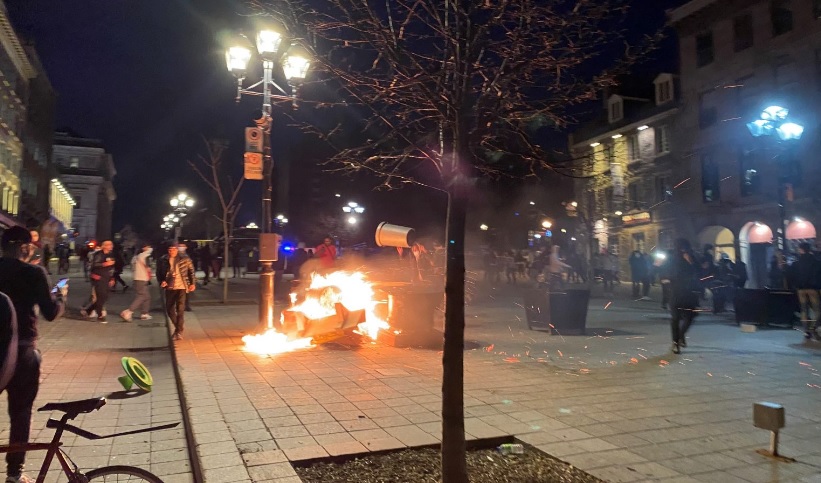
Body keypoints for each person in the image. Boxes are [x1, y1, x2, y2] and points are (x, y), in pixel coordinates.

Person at [0, 226, 65, 483]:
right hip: (22, 351)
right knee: (20, 412)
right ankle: (14, 473)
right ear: (25, 247)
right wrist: (60, 297)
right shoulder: (34, 273)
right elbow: (50, 312)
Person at [156, 244, 196, 341]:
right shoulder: (163, 260)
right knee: (169, 309)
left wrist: (192, 283)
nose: (172, 251)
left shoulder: (185, 259)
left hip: (182, 286)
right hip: (170, 287)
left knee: (180, 309)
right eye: (170, 249)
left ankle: (178, 332)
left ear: (177, 250)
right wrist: (162, 281)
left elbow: (191, 271)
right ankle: (179, 329)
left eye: (174, 249)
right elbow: (159, 273)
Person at [670, 238, 700, 354]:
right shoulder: (673, 258)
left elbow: (699, 271)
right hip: (676, 291)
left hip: (689, 292)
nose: (683, 250)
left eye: (685, 247)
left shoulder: (692, 257)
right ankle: (675, 342)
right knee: (675, 318)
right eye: (681, 247)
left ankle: (681, 335)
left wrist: (691, 262)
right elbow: (669, 272)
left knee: (690, 316)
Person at [788, 242, 820, 340]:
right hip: (813, 289)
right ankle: (813, 328)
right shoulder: (816, 262)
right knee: (817, 310)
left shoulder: (796, 263)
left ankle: (806, 331)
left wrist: (795, 286)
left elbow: (791, 275)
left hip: (801, 289)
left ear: (801, 250)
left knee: (804, 310)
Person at [81, 240, 116, 323]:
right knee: (100, 296)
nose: (111, 246)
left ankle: (88, 310)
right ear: (104, 246)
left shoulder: (110, 255)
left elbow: (111, 268)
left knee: (105, 297)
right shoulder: (98, 254)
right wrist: (105, 264)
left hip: (106, 278)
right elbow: (94, 265)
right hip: (98, 278)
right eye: (109, 244)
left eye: (111, 244)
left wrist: (112, 278)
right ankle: (100, 316)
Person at [120, 243, 154, 322]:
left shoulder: (137, 257)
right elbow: (148, 261)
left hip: (138, 278)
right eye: (148, 247)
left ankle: (144, 314)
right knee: (141, 296)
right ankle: (128, 311)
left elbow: (132, 266)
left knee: (147, 297)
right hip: (142, 278)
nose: (149, 248)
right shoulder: (144, 255)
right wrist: (149, 249)